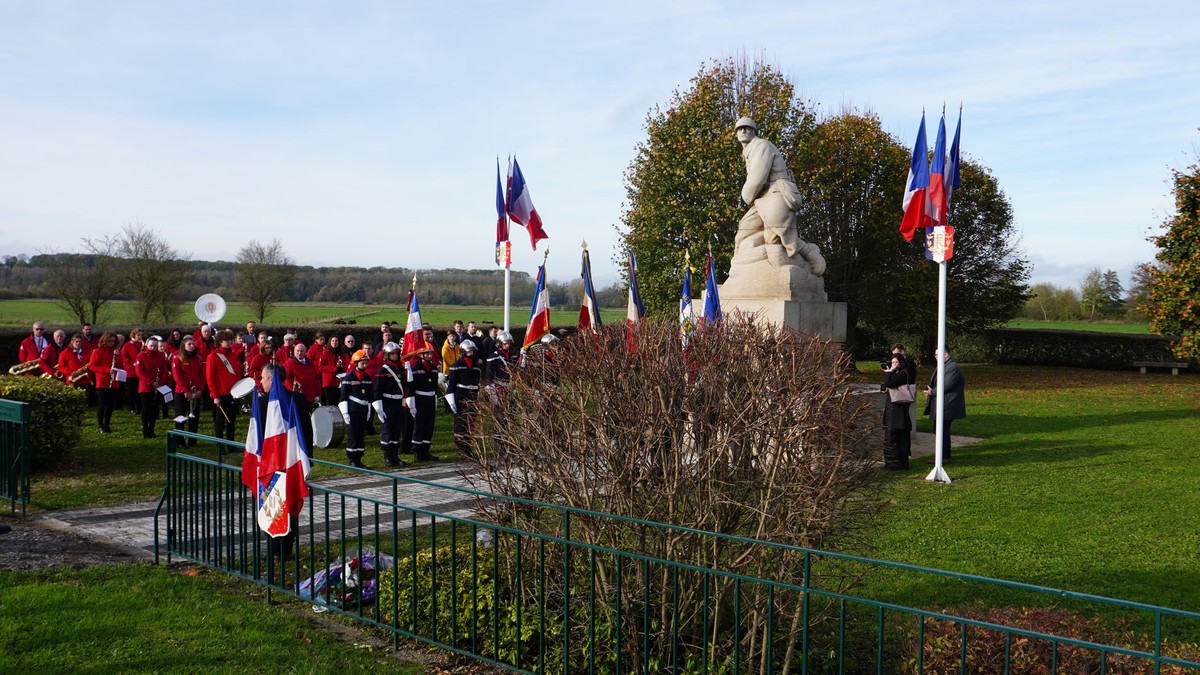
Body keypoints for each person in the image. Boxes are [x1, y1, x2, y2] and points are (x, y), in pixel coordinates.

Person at [733, 117, 825, 274]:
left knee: (776, 234)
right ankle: (737, 274)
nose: (743, 131)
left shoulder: (760, 145)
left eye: (748, 128)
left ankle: (809, 253)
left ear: (754, 132)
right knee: (744, 231)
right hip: (764, 197)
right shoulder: (749, 149)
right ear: (736, 133)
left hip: (777, 192)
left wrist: (746, 195)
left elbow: (758, 176)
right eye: (740, 129)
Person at [923, 347, 967, 463]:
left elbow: (946, 385)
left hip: (947, 405)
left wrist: (932, 392)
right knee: (940, 430)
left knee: (942, 431)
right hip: (943, 404)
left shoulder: (952, 368)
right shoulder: (945, 366)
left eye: (938, 355)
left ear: (946, 355)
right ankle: (942, 456)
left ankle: (944, 457)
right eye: (935, 355)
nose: (936, 357)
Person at [373, 342, 408, 467]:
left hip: (398, 403)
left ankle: (395, 455)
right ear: (387, 355)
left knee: (396, 429)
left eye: (396, 353)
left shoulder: (401, 369)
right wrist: (379, 408)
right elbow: (377, 390)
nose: (395, 355)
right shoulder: (382, 370)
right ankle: (387, 456)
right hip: (387, 402)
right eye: (392, 353)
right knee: (387, 430)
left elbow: (405, 386)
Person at [446, 339, 482, 453]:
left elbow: (477, 382)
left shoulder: (476, 366)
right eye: (469, 351)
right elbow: (451, 384)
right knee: (461, 421)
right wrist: (451, 401)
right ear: (463, 351)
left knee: (471, 421)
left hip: (473, 396)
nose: (471, 353)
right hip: (461, 396)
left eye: (472, 351)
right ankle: (460, 445)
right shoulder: (457, 365)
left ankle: (468, 443)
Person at [206, 329, 243, 441]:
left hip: (233, 392)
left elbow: (236, 373)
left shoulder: (232, 355)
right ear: (219, 342)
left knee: (231, 419)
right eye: (226, 340)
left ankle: (230, 443)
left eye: (230, 339)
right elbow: (210, 377)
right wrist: (215, 395)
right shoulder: (213, 356)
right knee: (220, 419)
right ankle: (220, 444)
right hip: (221, 393)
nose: (229, 342)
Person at [338, 351, 373, 468]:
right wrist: (345, 413)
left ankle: (359, 457)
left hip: (363, 410)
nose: (365, 365)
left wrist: (368, 410)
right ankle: (352, 459)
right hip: (352, 411)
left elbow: (369, 396)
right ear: (356, 363)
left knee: (360, 434)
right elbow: (343, 397)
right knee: (353, 435)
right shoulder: (349, 377)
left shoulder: (367, 378)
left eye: (366, 363)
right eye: (362, 363)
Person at [284, 342, 320, 452]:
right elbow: (286, 379)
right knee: (300, 422)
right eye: (297, 351)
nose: (300, 353)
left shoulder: (310, 363)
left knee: (310, 422)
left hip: (310, 397)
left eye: (302, 351)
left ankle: (310, 440)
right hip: (298, 398)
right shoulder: (289, 363)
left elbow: (316, 378)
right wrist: (293, 391)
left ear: (306, 352)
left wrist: (318, 393)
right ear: (294, 352)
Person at [881, 354, 914, 470]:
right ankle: (898, 463)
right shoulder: (900, 374)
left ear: (901, 362)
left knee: (893, 438)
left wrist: (889, 372)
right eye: (892, 362)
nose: (893, 364)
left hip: (896, 411)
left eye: (896, 362)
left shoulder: (903, 374)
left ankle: (893, 464)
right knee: (898, 438)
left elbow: (888, 383)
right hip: (896, 411)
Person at [408, 346, 439, 462]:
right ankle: (417, 452)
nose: (429, 356)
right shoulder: (416, 369)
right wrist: (412, 403)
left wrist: (435, 399)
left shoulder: (434, 368)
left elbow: (435, 386)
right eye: (426, 354)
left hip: (431, 399)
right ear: (421, 355)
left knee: (429, 425)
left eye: (430, 354)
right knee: (419, 426)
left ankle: (426, 450)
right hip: (420, 399)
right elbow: (412, 387)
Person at [88, 332, 122, 434]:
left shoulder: (115, 352)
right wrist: (107, 370)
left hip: (114, 382)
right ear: (105, 341)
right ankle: (100, 425)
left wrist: (118, 356)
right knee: (102, 405)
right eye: (110, 341)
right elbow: (92, 366)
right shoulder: (97, 352)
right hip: (102, 382)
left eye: (113, 341)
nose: (112, 343)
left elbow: (120, 365)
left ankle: (107, 424)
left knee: (110, 405)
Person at [171, 336, 204, 443]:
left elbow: (202, 375)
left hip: (195, 392)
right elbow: (177, 377)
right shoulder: (178, 358)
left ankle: (192, 440)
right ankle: (179, 440)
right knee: (181, 416)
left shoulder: (198, 358)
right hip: (182, 392)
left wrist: (200, 389)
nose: (192, 346)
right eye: (189, 344)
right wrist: (185, 390)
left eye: (193, 344)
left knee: (194, 416)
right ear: (184, 346)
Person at [135, 335, 168, 439]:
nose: (153, 348)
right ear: (147, 346)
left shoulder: (161, 356)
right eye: (151, 346)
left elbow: (164, 371)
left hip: (158, 386)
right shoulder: (141, 356)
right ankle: (145, 430)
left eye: (155, 346)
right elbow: (140, 372)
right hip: (145, 387)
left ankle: (152, 429)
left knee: (154, 408)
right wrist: (151, 382)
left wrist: (160, 382)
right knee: (146, 408)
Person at [317, 335, 345, 406]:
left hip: (339, 382)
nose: (334, 342)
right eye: (333, 341)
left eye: (336, 341)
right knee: (329, 403)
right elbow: (321, 367)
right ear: (330, 342)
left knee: (338, 403)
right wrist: (335, 368)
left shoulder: (342, 353)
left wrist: (342, 368)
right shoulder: (325, 353)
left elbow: (347, 364)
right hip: (328, 382)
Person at [122, 328, 144, 414]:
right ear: (133, 335)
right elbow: (124, 356)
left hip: (141, 372)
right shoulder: (127, 345)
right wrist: (132, 363)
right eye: (138, 335)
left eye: (141, 335)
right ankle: (132, 407)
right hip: (131, 372)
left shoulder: (143, 345)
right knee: (131, 391)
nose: (140, 337)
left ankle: (140, 407)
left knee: (140, 391)